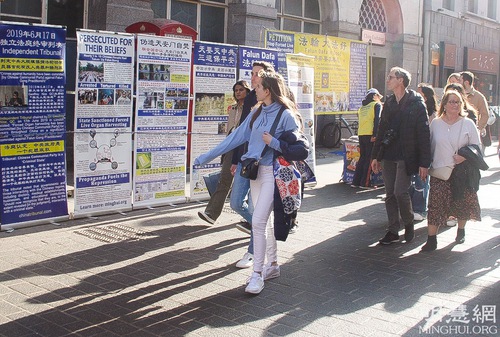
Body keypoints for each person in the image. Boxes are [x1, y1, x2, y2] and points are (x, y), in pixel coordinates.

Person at [195, 70, 301, 294]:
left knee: (259, 222)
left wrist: (273, 142)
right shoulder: (255, 113)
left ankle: (257, 275)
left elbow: (300, 147)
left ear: (268, 89)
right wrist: (205, 157)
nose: (255, 89)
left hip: (273, 173)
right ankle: (272, 265)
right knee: (264, 223)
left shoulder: (286, 115)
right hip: (254, 174)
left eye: (259, 86)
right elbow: (234, 139)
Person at [371, 67, 431, 245]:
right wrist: (375, 156)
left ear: (401, 80)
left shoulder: (416, 103)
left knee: (400, 191)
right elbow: (381, 130)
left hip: (407, 155)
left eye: (391, 77)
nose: (387, 80)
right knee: (389, 193)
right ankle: (393, 230)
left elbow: (424, 134)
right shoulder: (389, 102)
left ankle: (409, 222)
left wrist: (424, 163)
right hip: (389, 153)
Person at [421, 90, 482, 251]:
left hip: (462, 171)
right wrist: (424, 165)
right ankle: (431, 239)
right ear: (444, 105)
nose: (455, 105)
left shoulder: (468, 123)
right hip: (440, 171)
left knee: (462, 202)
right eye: (451, 102)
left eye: (458, 102)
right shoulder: (436, 123)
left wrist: (465, 157)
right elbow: (428, 146)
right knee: (435, 204)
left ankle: (461, 230)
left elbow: (477, 147)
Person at [230, 61, 276, 269]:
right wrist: (233, 160)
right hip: (245, 160)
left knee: (258, 207)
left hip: (265, 163)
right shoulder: (250, 98)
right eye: (252, 73)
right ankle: (260, 226)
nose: (254, 77)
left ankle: (252, 251)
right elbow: (241, 133)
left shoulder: (278, 103)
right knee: (236, 203)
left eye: (259, 73)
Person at [198, 80, 251, 224]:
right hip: (232, 147)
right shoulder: (233, 109)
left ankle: (250, 216)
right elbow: (230, 132)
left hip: (246, 147)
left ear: (247, 91)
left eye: (241, 89)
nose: (238, 92)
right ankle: (211, 213)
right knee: (224, 180)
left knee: (250, 183)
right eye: (236, 90)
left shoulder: (252, 108)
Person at [409, 83, 438, 221]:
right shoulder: (413, 109)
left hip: (427, 151)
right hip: (413, 151)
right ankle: (412, 208)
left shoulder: (434, 115)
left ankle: (420, 209)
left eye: (419, 93)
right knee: (413, 181)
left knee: (422, 181)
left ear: (426, 97)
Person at [351, 88, 382, 188]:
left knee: (362, 158)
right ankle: (365, 183)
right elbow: (377, 120)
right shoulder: (376, 105)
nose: (379, 99)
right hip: (370, 134)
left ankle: (356, 181)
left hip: (361, 134)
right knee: (369, 158)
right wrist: (375, 134)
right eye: (378, 96)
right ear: (374, 96)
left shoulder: (362, 108)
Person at [459, 71, 490, 148]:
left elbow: (485, 115)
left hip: (473, 135)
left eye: (459, 80)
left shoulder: (479, 97)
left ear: (466, 82)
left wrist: (477, 128)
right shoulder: (457, 94)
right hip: (458, 132)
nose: (457, 82)